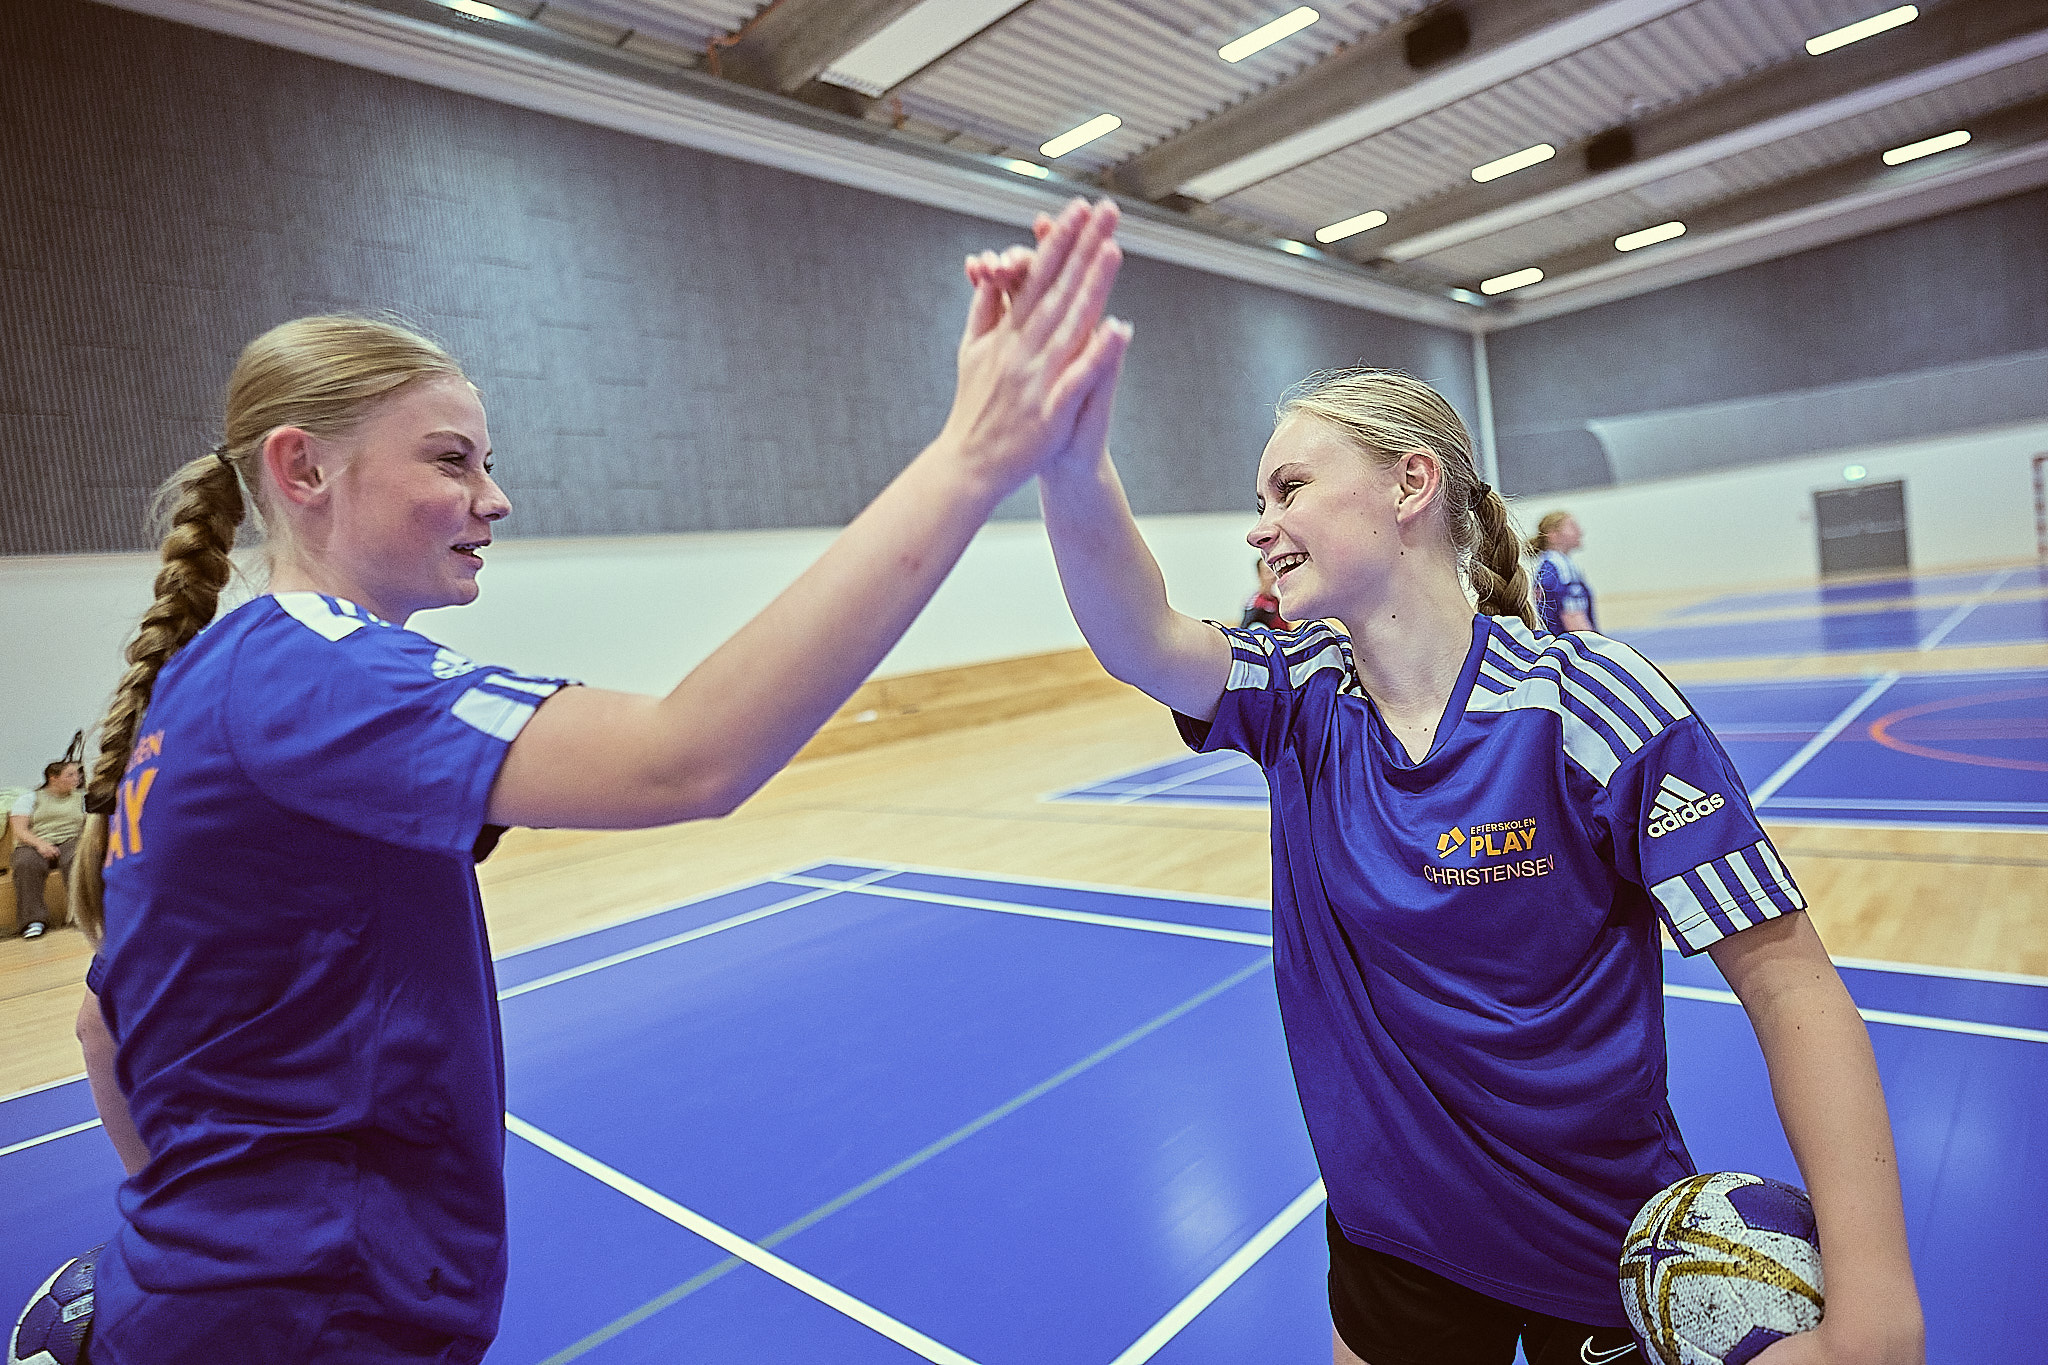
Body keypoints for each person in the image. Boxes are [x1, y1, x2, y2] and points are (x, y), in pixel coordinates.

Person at [65, 196, 1130, 1364]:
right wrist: (971, 456)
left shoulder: (216, 679)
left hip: (221, 1296)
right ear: (302, 467)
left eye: (488, 461)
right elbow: (691, 754)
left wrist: (203, 1231)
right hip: (308, 1318)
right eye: (450, 459)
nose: (495, 497)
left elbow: (99, 1025)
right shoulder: (309, 676)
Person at [1014, 313, 1924, 1362]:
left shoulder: (1590, 706)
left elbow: (1789, 982)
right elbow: (1136, 633)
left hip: (1608, 1260)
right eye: (1258, 501)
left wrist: (1873, 1308)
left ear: (1410, 486)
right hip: (1394, 1259)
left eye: (1288, 490)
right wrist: (1068, 460)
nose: (1258, 527)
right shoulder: (1296, 699)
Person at [9, 759, 84, 938]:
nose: (77, 778)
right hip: (35, 841)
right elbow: (20, 830)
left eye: (77, 774)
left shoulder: (81, 797)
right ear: (53, 778)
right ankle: (33, 921)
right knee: (25, 863)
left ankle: (81, 915)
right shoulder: (30, 798)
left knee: (77, 858)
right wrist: (40, 844)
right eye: (70, 775)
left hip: (70, 839)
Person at [1529, 509, 1595, 634]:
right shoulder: (1561, 568)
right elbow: (1574, 620)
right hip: (1567, 646)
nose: (1580, 532)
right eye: (1572, 527)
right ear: (1553, 535)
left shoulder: (1545, 566)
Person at [1240, 554, 1291, 631]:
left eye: (1273, 571)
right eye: (1268, 572)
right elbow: (1247, 630)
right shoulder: (1256, 602)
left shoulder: (1276, 600)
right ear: (1259, 575)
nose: (1273, 576)